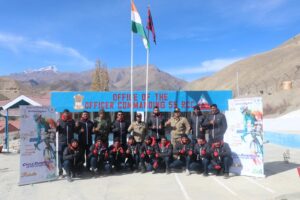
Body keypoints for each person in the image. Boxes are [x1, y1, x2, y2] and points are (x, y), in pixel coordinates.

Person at [56, 109, 76, 177]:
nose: (66, 115)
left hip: (69, 143)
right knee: (60, 157)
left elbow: (75, 130)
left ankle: (69, 170)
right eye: (65, 113)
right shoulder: (59, 121)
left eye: (67, 113)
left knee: (69, 156)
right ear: (63, 114)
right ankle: (60, 171)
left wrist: (77, 126)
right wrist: (56, 126)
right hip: (61, 142)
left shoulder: (72, 121)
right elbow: (56, 130)